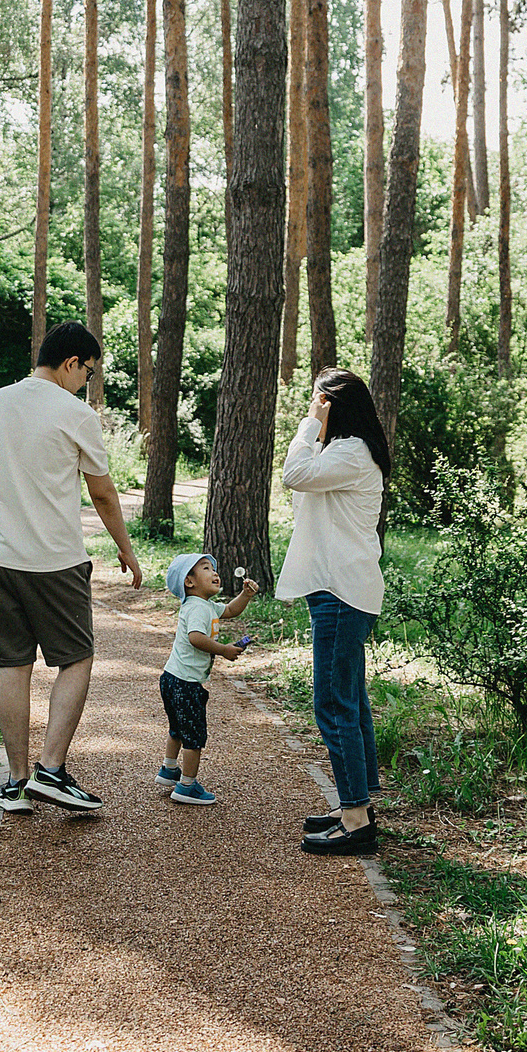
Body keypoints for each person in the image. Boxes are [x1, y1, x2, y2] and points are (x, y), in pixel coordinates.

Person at [0, 321, 144, 816]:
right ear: (71, 362)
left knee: (12, 665)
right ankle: (52, 771)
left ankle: (17, 782)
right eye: (88, 372)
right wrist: (125, 548)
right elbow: (103, 493)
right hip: (56, 562)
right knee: (76, 658)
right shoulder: (77, 414)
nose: (87, 382)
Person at [279, 366, 392, 856]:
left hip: (340, 593)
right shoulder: (345, 451)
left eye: (318, 400)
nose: (313, 407)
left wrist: (309, 424)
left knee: (333, 703)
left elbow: (293, 475)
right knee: (351, 700)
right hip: (341, 590)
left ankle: (356, 818)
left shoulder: (350, 452)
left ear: (333, 405)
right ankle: (358, 805)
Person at [155, 553, 258, 806]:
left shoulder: (205, 605)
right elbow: (196, 638)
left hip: (171, 678)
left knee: (177, 728)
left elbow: (231, 610)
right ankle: (187, 786)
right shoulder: (199, 608)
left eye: (213, 568)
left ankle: (169, 769)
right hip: (186, 683)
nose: (215, 572)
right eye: (206, 568)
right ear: (189, 582)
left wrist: (245, 595)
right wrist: (223, 650)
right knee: (194, 737)